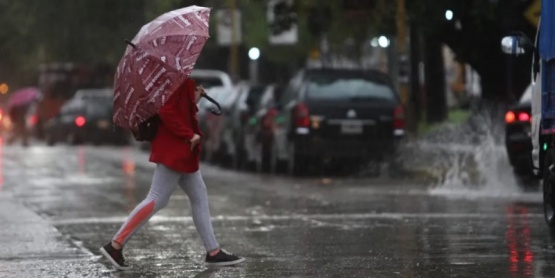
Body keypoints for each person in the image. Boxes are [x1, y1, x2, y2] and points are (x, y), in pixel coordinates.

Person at [99, 78, 245, 270]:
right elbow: (166, 111)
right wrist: (188, 134)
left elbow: (179, 109)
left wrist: (194, 98)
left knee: (199, 195)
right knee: (157, 198)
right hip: (175, 149)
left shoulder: (174, 78)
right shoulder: (172, 78)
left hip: (181, 150)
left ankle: (214, 252)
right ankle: (115, 245)